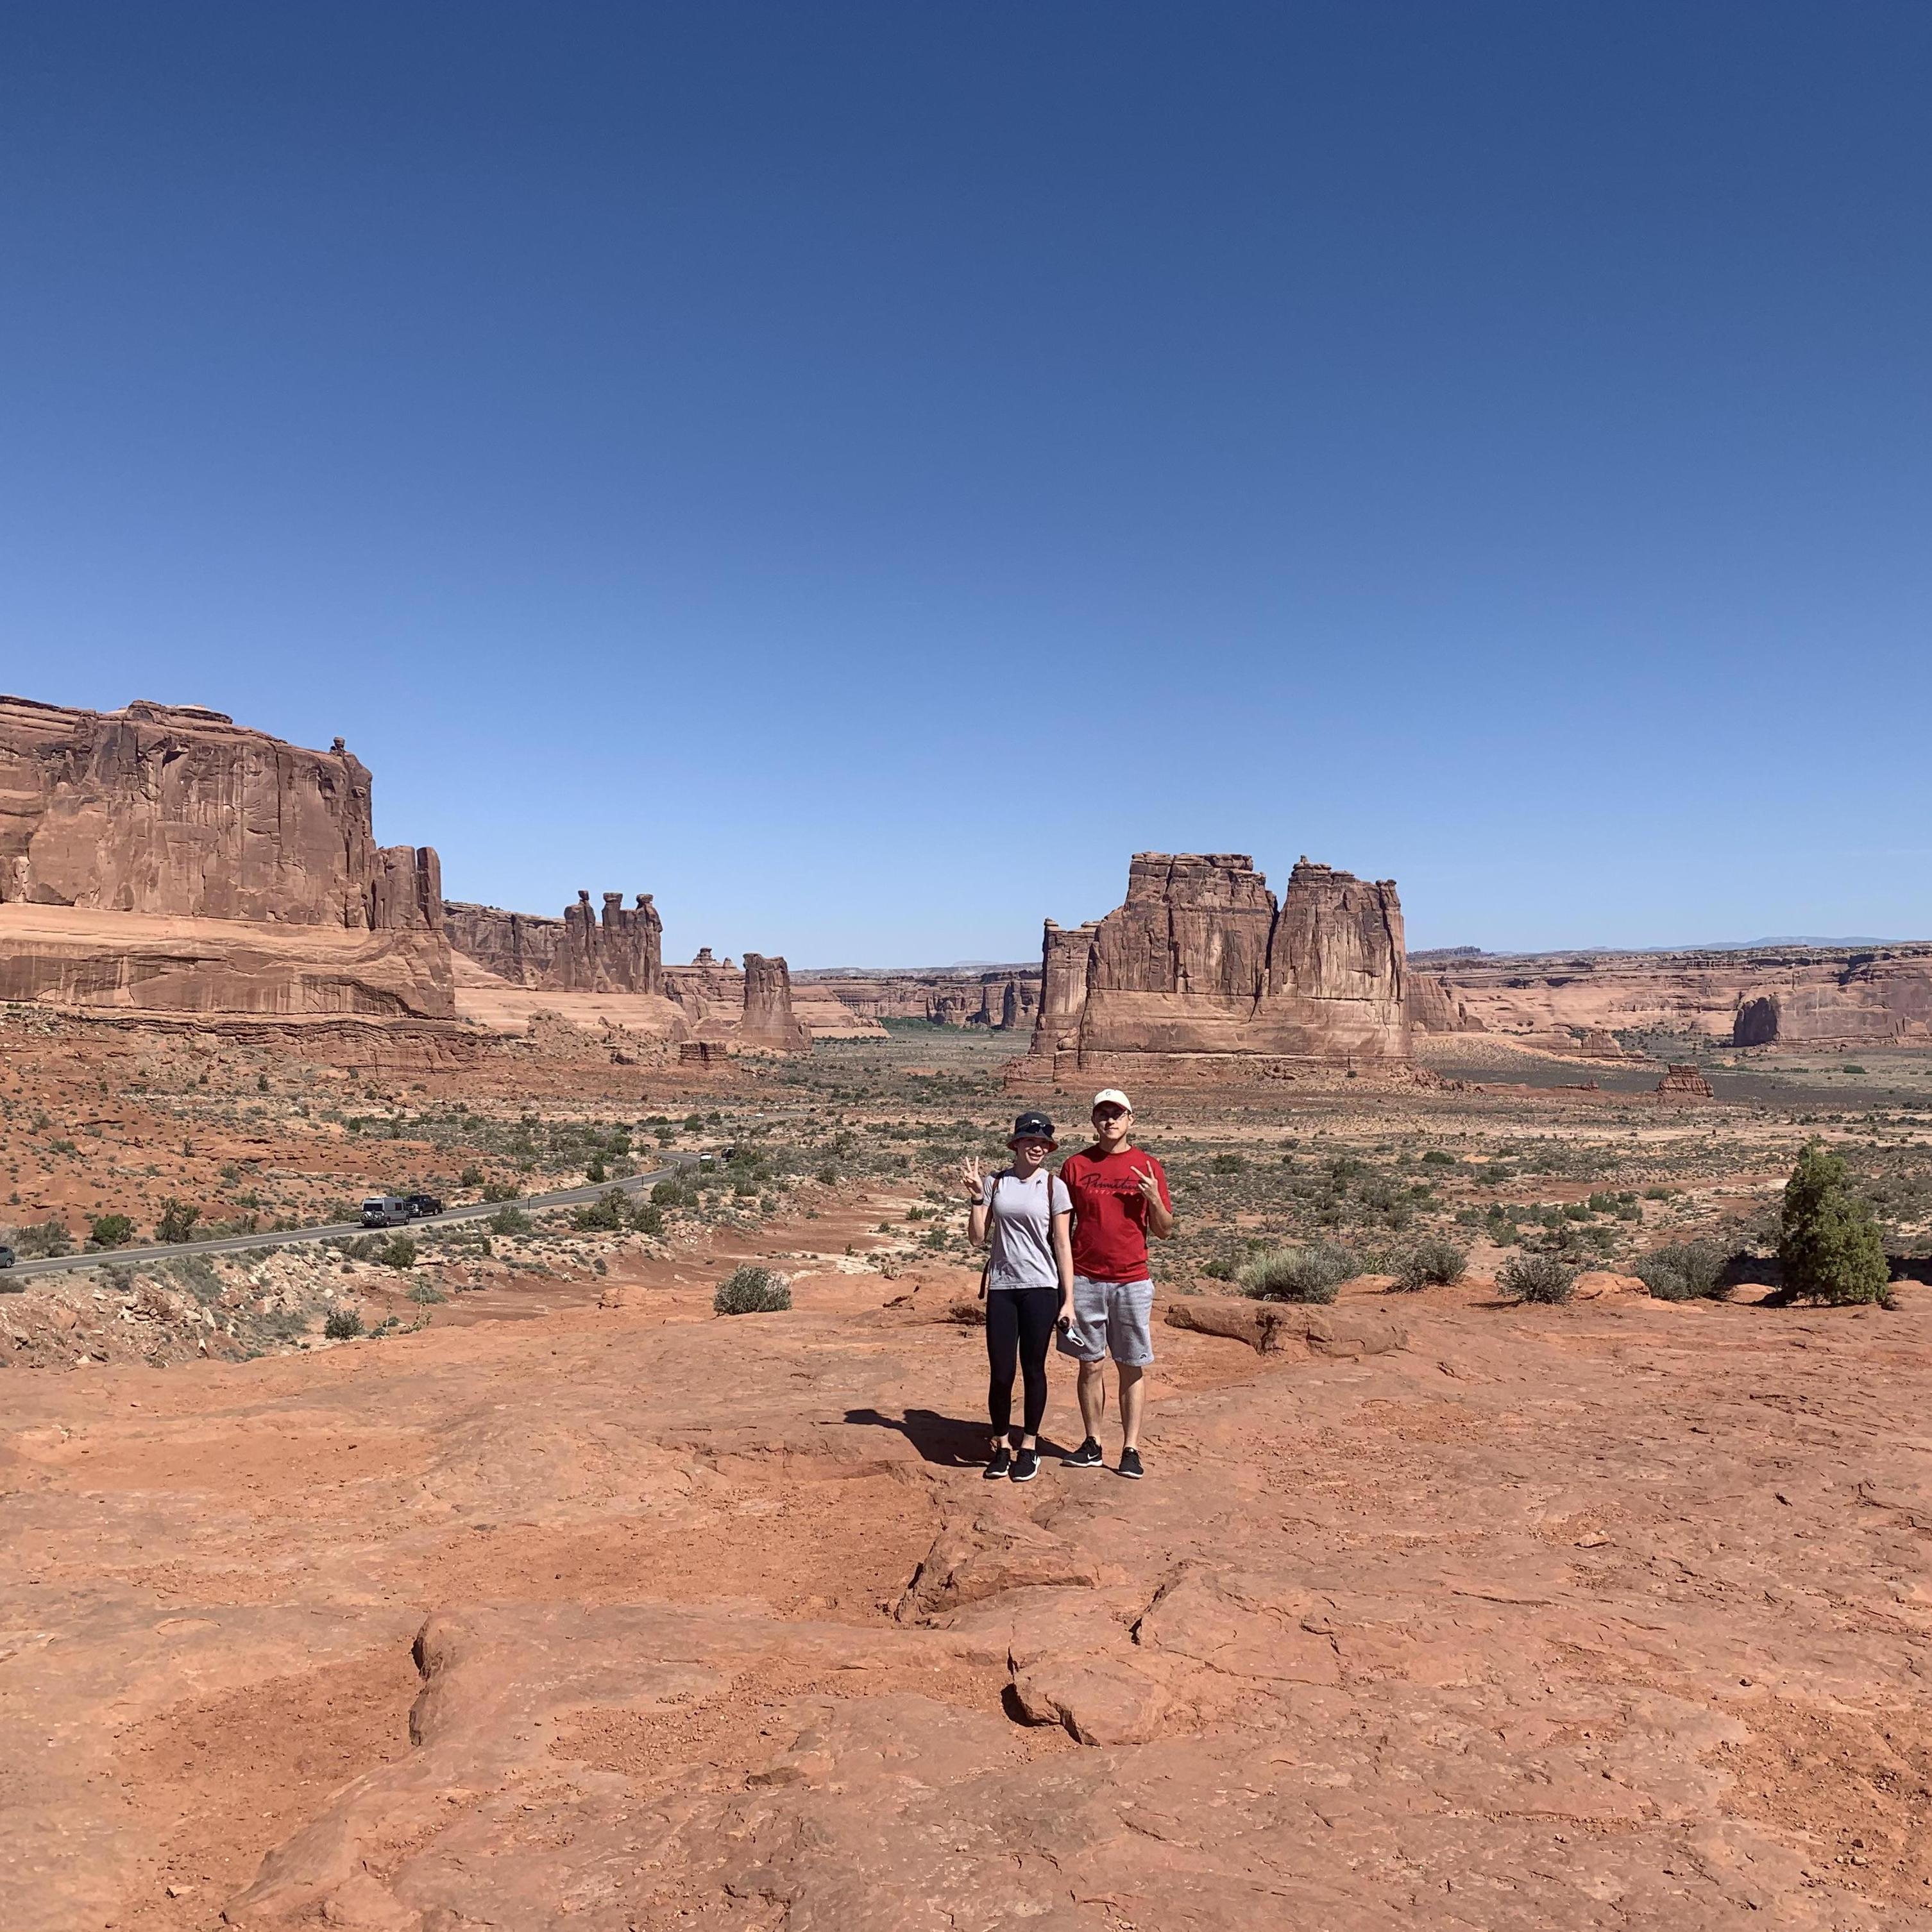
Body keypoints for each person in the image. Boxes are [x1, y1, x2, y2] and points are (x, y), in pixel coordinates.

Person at [1056, 1089, 1174, 1479]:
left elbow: (1164, 1231)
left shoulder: (1148, 1166)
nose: (1110, 1121)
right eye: (1103, 1114)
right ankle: (1092, 1443)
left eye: (1118, 1114)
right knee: (1089, 1366)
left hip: (1131, 1281)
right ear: (1093, 1121)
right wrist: (1065, 1287)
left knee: (1131, 1365)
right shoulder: (1074, 1166)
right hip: (1086, 1279)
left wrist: (1155, 1198)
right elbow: (1060, 1228)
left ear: (1131, 1120)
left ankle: (1131, 1448)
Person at [960, 1110, 1074, 1482]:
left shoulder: (1054, 1187)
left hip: (1042, 1287)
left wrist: (1068, 1299)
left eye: (1043, 1142)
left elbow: (1062, 1244)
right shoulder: (996, 1182)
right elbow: (977, 1238)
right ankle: (1002, 1445)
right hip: (1004, 1288)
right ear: (1016, 1144)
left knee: (1034, 1369)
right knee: (1001, 1372)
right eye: (1030, 1141)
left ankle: (1029, 1446)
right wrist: (978, 1198)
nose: (1037, 1147)